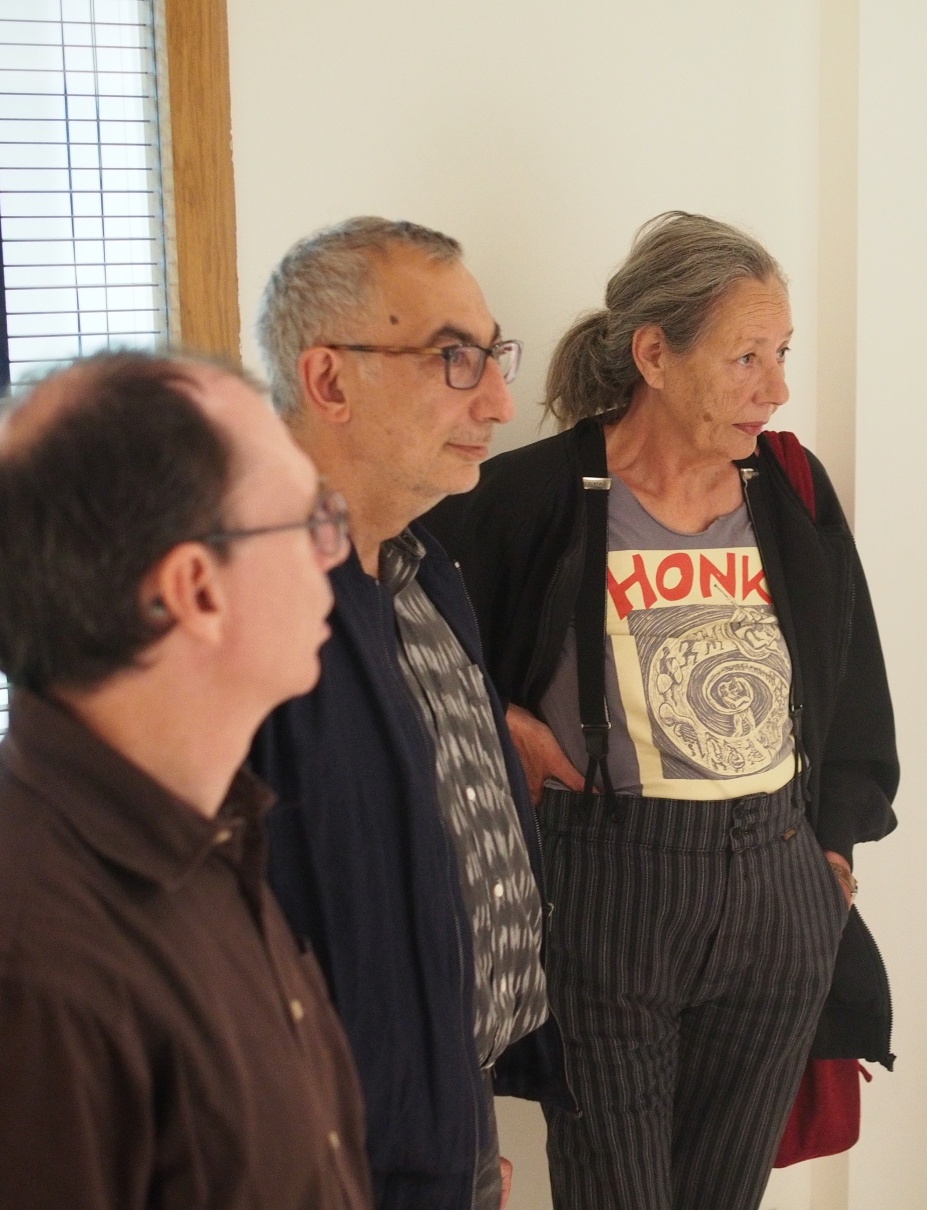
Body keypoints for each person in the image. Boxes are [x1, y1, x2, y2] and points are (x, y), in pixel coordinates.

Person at [424, 211, 898, 1210]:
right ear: (653, 355)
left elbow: (851, 680)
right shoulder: (532, 494)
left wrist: (832, 851)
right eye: (745, 357)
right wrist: (500, 720)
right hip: (610, 894)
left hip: (777, 884)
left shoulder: (789, 489)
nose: (774, 387)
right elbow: (406, 634)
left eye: (781, 353)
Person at [0, 352, 371, 1208]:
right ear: (196, 589)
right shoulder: (23, 974)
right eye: (308, 520)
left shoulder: (206, 828)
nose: (330, 556)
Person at [249, 217, 570, 1210]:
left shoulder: (424, 568)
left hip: (440, 1120)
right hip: (328, 1156)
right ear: (329, 379)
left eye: (493, 356)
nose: (500, 401)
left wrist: (457, 1129)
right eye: (454, 358)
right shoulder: (249, 614)